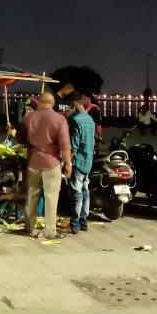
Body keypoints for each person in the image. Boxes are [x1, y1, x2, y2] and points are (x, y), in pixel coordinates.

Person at [21, 91, 72, 240]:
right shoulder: (59, 119)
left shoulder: (28, 118)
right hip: (51, 163)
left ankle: (30, 227)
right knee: (51, 196)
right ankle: (50, 231)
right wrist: (68, 163)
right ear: (53, 104)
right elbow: (65, 145)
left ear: (39, 102)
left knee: (31, 194)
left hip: (32, 162)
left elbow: (20, 137)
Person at [68, 92, 96, 234]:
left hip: (79, 162)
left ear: (74, 103)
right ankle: (84, 222)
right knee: (85, 192)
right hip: (89, 162)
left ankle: (75, 223)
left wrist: (67, 162)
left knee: (77, 193)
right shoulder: (90, 120)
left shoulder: (76, 120)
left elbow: (74, 145)